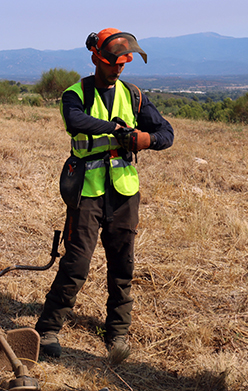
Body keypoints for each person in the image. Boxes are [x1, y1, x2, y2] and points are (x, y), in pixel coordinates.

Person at [35, 28, 174, 364]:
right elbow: (75, 120)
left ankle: (117, 333)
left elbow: (166, 133)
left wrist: (143, 140)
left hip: (125, 191)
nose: (119, 69)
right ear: (96, 58)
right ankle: (48, 329)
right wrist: (116, 129)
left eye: (123, 64)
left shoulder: (134, 95)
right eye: (113, 63)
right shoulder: (75, 93)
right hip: (86, 190)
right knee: (76, 263)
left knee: (123, 265)